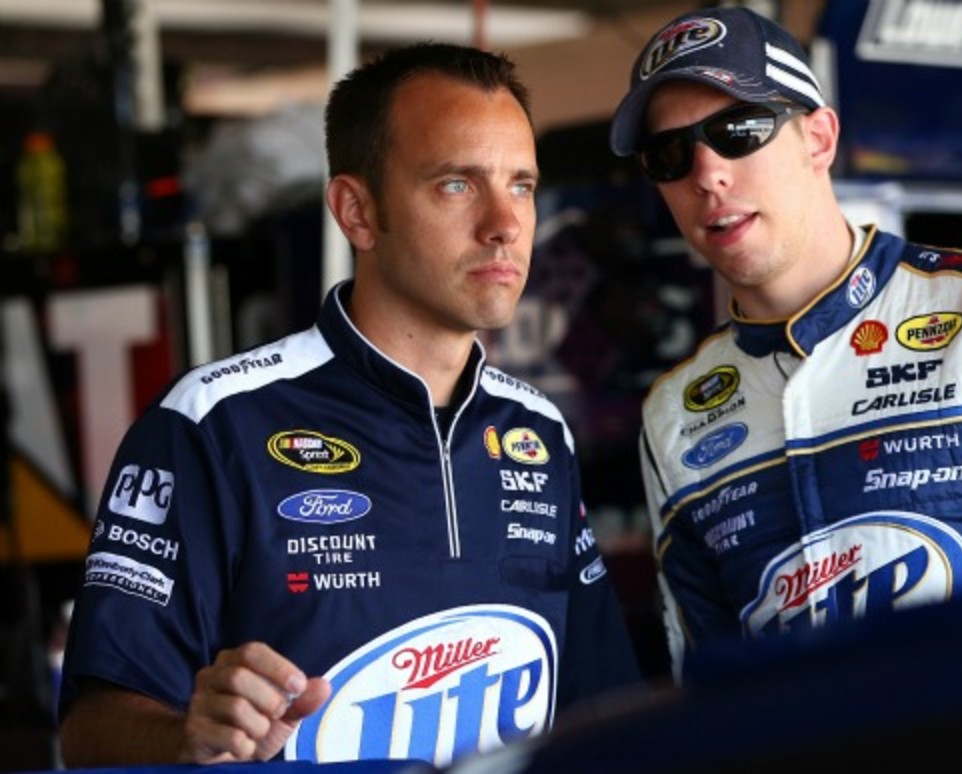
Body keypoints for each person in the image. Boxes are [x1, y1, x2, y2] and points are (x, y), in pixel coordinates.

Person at [58, 42, 641, 768]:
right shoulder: (213, 425)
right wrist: (187, 739)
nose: (505, 222)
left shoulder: (539, 433)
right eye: (457, 184)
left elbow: (606, 707)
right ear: (357, 212)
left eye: (520, 184)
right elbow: (87, 734)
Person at [609, 7, 962, 679]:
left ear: (818, 138)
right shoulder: (673, 412)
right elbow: (707, 687)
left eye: (738, 131)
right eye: (668, 154)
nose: (706, 173)